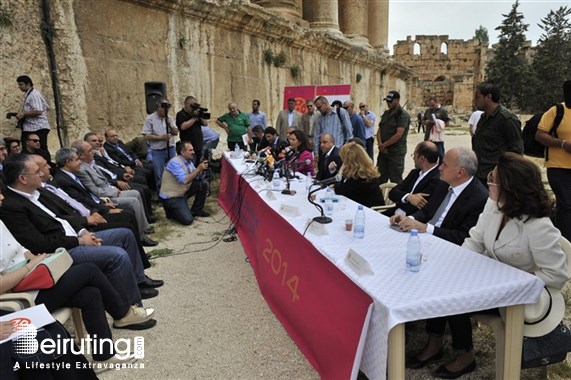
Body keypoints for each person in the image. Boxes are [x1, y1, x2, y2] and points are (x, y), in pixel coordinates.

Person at [408, 153, 569, 378]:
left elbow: (556, 275)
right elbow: (475, 240)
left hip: (520, 293)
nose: (488, 182)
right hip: (492, 283)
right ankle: (434, 342)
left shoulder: (538, 226)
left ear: (511, 188)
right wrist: (456, 265)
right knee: (443, 281)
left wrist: (510, 279)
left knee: (455, 295)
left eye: (493, 179)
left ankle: (465, 356)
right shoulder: (494, 206)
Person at [0, 154, 161, 306]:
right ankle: (131, 305)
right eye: (37, 171)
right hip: (62, 249)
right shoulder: (12, 206)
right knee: (117, 255)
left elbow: (64, 216)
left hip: (74, 236)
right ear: (23, 178)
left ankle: (138, 281)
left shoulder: (37, 192)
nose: (42, 174)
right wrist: (79, 240)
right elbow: (39, 243)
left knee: (125, 234)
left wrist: (82, 232)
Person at [390, 147, 488, 246]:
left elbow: (463, 236)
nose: (440, 168)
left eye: (445, 165)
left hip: (447, 246)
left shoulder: (479, 198)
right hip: (424, 238)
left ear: (460, 172)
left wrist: (426, 228)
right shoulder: (443, 183)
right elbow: (427, 211)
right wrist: (410, 219)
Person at [72, 141, 156, 246]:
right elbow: (96, 191)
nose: (93, 152)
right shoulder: (82, 169)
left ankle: (143, 227)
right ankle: (141, 237)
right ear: (81, 155)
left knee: (136, 193)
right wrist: (114, 191)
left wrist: (114, 186)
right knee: (133, 201)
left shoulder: (91, 163)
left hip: (110, 189)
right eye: (89, 150)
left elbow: (104, 180)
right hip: (106, 197)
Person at [535, 80, 571, 242]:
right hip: (558, 166)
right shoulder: (557, 111)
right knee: (566, 205)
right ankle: (564, 240)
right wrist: (562, 144)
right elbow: (540, 134)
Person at [472, 82, 523, 185]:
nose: (474, 101)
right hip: (479, 173)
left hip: (495, 177)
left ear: (488, 97)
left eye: (477, 97)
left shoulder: (507, 120)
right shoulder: (483, 118)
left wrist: (503, 174)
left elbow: (517, 152)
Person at [159, 141, 210, 225]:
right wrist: (198, 169)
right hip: (172, 197)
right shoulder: (174, 162)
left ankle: (197, 210)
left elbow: (196, 177)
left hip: (182, 192)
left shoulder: (189, 161)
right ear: (182, 152)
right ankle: (170, 211)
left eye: (193, 150)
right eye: (190, 150)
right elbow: (184, 180)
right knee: (188, 220)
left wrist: (201, 170)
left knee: (203, 184)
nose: (193, 152)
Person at [386, 141, 441, 217]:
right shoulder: (414, 173)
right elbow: (392, 193)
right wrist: (408, 197)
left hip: (410, 220)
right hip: (394, 212)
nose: (413, 158)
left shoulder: (436, 179)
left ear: (422, 158)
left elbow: (419, 205)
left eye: (414, 154)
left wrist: (402, 197)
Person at [142, 98, 179, 192]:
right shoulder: (150, 119)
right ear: (158, 107)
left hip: (170, 148)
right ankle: (161, 194)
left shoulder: (169, 118)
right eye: (163, 108)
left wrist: (170, 124)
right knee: (159, 174)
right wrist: (160, 138)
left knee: (173, 171)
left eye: (167, 108)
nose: (165, 110)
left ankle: (173, 191)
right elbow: (146, 136)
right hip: (157, 150)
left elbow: (175, 132)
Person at [334, 142, 384, 208]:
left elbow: (339, 190)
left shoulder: (360, 177)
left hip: (372, 211)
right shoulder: (364, 171)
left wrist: (340, 171)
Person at [377, 90, 410, 184]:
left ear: (397, 100)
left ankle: (396, 198)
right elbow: (380, 129)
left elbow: (399, 134)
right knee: (379, 177)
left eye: (390, 101)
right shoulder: (386, 113)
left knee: (395, 179)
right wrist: (380, 144)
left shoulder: (403, 115)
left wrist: (384, 145)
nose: (388, 103)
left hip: (396, 152)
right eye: (387, 101)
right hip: (383, 151)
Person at [15, 75, 51, 153]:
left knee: (40, 149)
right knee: (28, 149)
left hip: (38, 127)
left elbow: (38, 111)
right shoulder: (28, 94)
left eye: (21, 84)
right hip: (30, 127)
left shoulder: (34, 95)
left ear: (28, 84)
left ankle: (46, 164)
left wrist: (23, 114)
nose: (19, 87)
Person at [176, 96, 209, 166]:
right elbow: (183, 127)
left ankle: (197, 176)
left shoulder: (196, 114)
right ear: (186, 105)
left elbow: (205, 124)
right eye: (192, 105)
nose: (193, 108)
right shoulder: (180, 114)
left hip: (198, 145)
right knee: (189, 166)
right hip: (188, 147)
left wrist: (200, 115)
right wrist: (194, 118)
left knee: (197, 165)